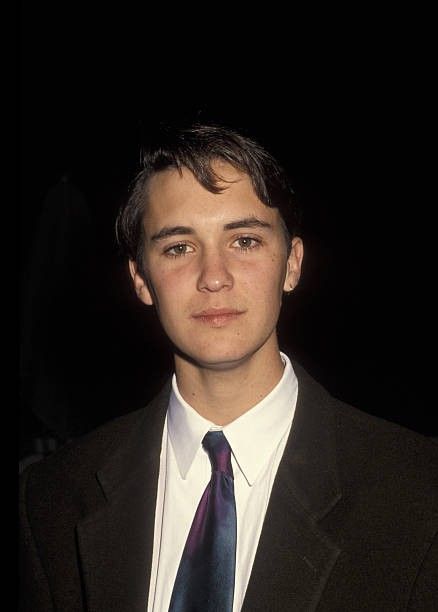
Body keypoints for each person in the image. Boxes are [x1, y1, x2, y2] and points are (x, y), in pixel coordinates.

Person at [19, 122, 438, 612]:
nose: (213, 277)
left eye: (244, 241)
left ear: (293, 262)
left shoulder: (418, 492)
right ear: (141, 280)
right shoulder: (48, 500)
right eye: (179, 247)